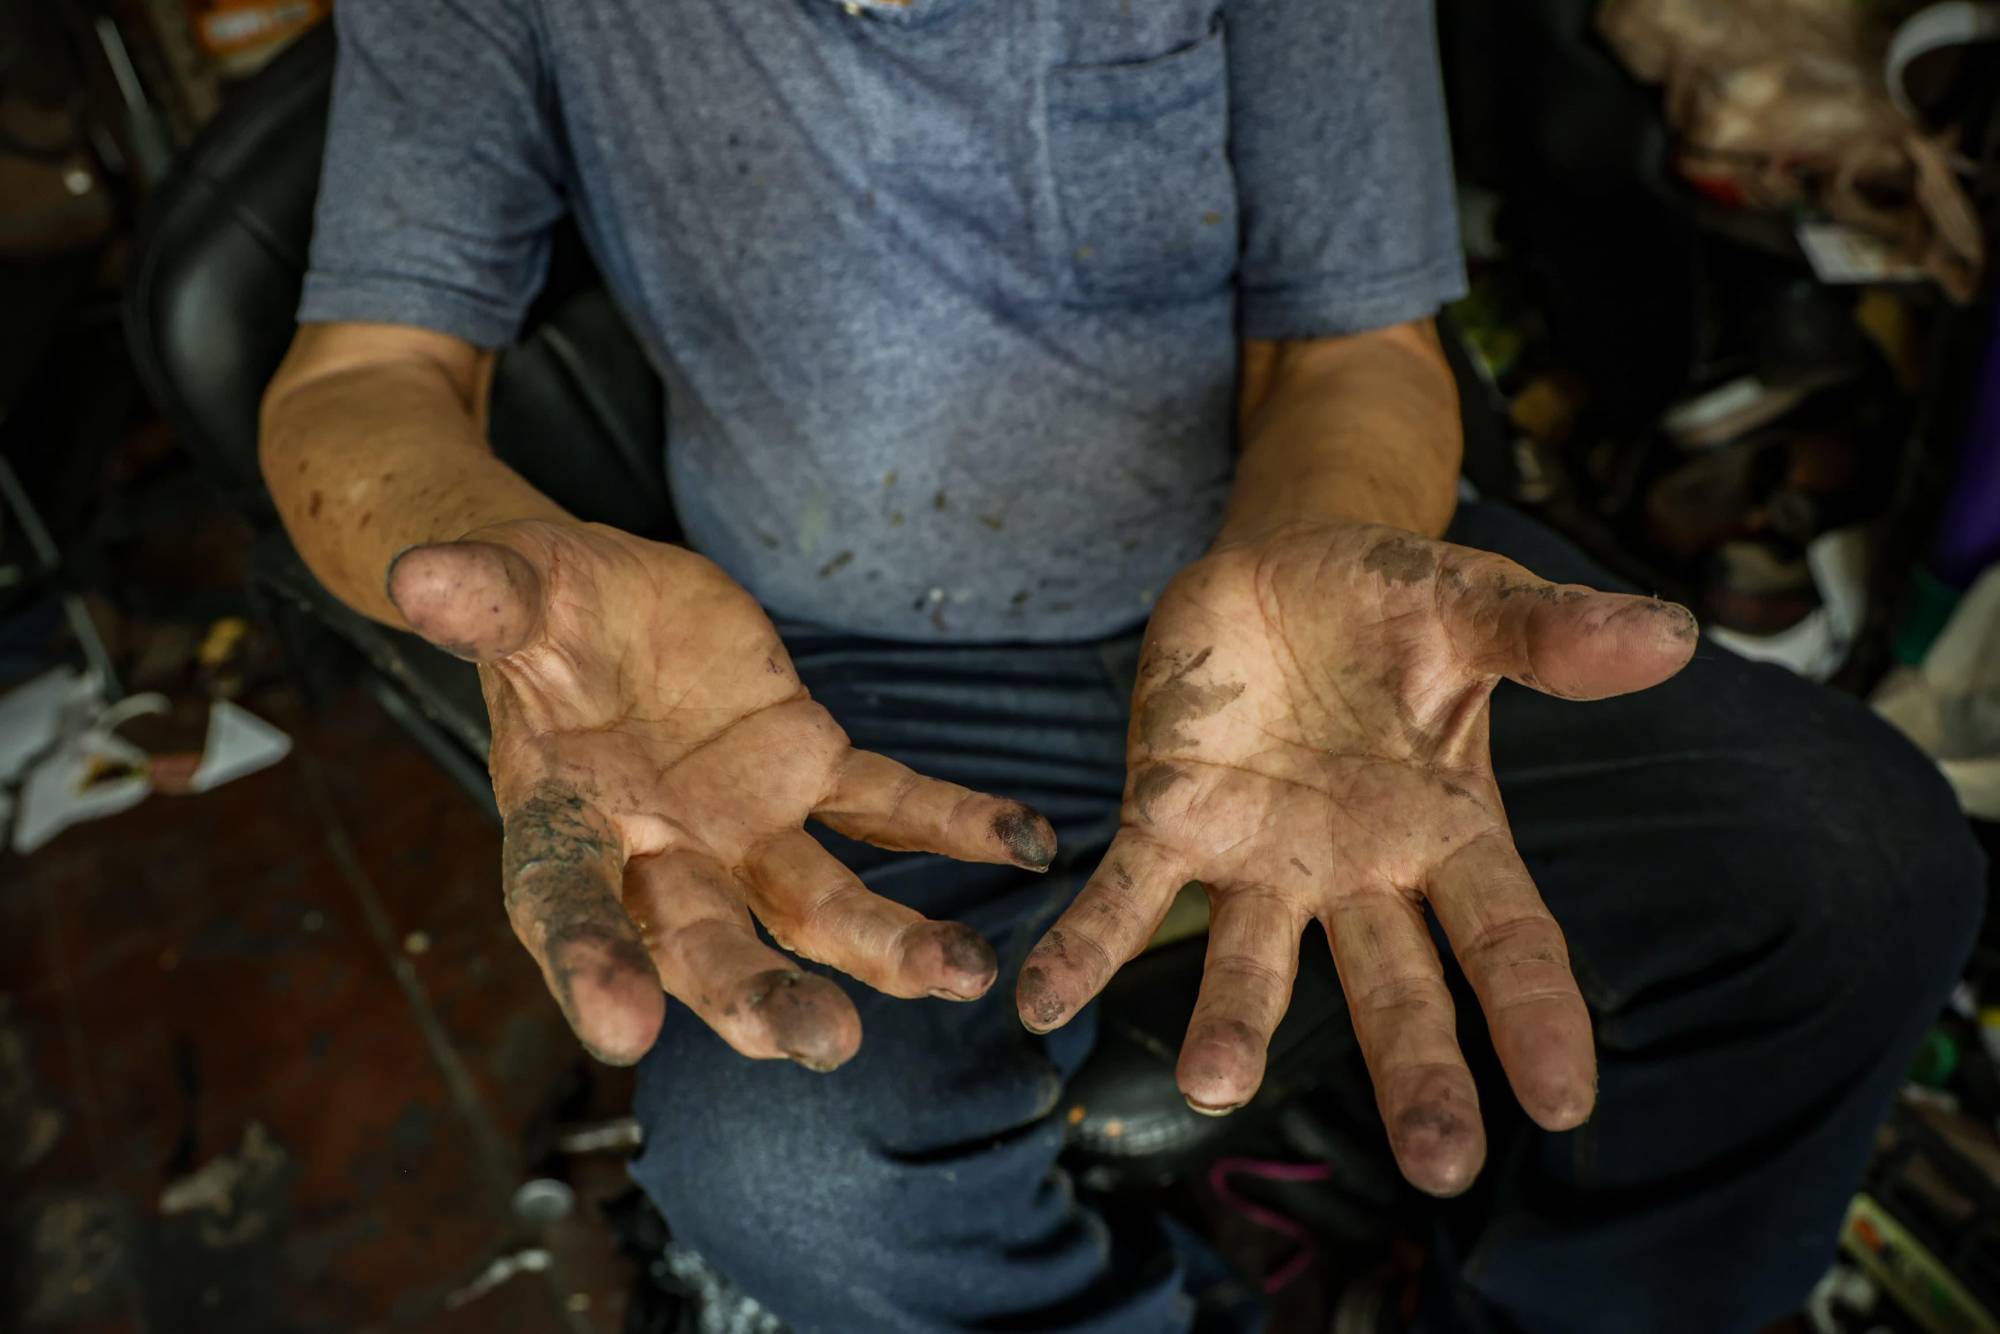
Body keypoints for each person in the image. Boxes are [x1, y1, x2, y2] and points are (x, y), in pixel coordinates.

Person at [256, 1, 1985, 1330]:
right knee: (782, 1163)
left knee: (1862, 867)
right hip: (812, 689)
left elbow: (1354, 351)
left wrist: (1300, 561)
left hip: (1296, 606)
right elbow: (361, 380)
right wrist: (517, 569)